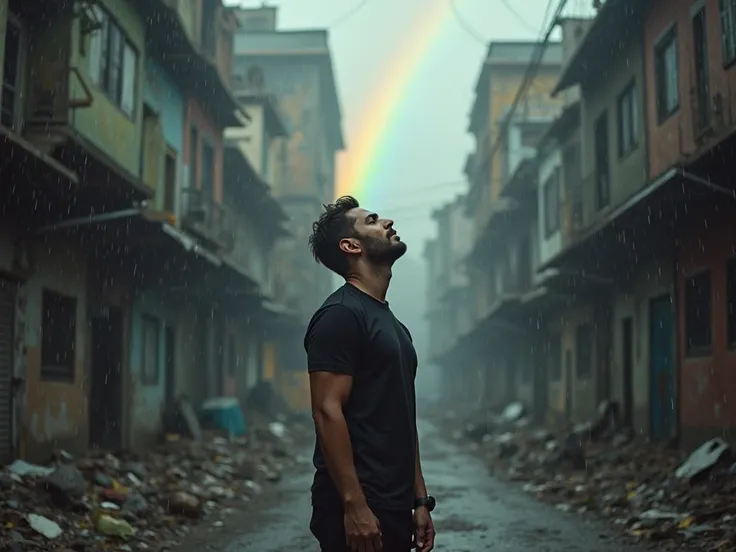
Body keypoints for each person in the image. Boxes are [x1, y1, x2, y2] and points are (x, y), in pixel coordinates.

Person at [304, 196, 436, 552]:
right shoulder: (340, 315)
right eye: (373, 220)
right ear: (351, 246)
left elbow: (403, 417)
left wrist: (420, 500)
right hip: (358, 506)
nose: (388, 222)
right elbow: (327, 411)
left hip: (393, 505)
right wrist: (354, 505)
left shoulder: (396, 327)